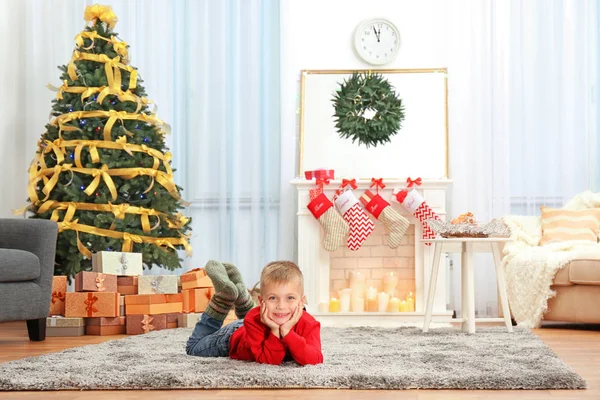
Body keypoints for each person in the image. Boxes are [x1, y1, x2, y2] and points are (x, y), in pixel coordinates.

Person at [185, 260, 323, 366]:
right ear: (261, 301)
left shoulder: (309, 323)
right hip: (234, 336)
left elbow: (315, 359)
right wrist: (276, 330)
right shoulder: (253, 319)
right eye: (273, 298)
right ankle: (222, 298)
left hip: (257, 322)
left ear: (302, 301)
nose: (281, 306)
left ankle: (244, 300)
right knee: (193, 348)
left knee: (256, 316)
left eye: (290, 298)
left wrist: (287, 333)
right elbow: (269, 361)